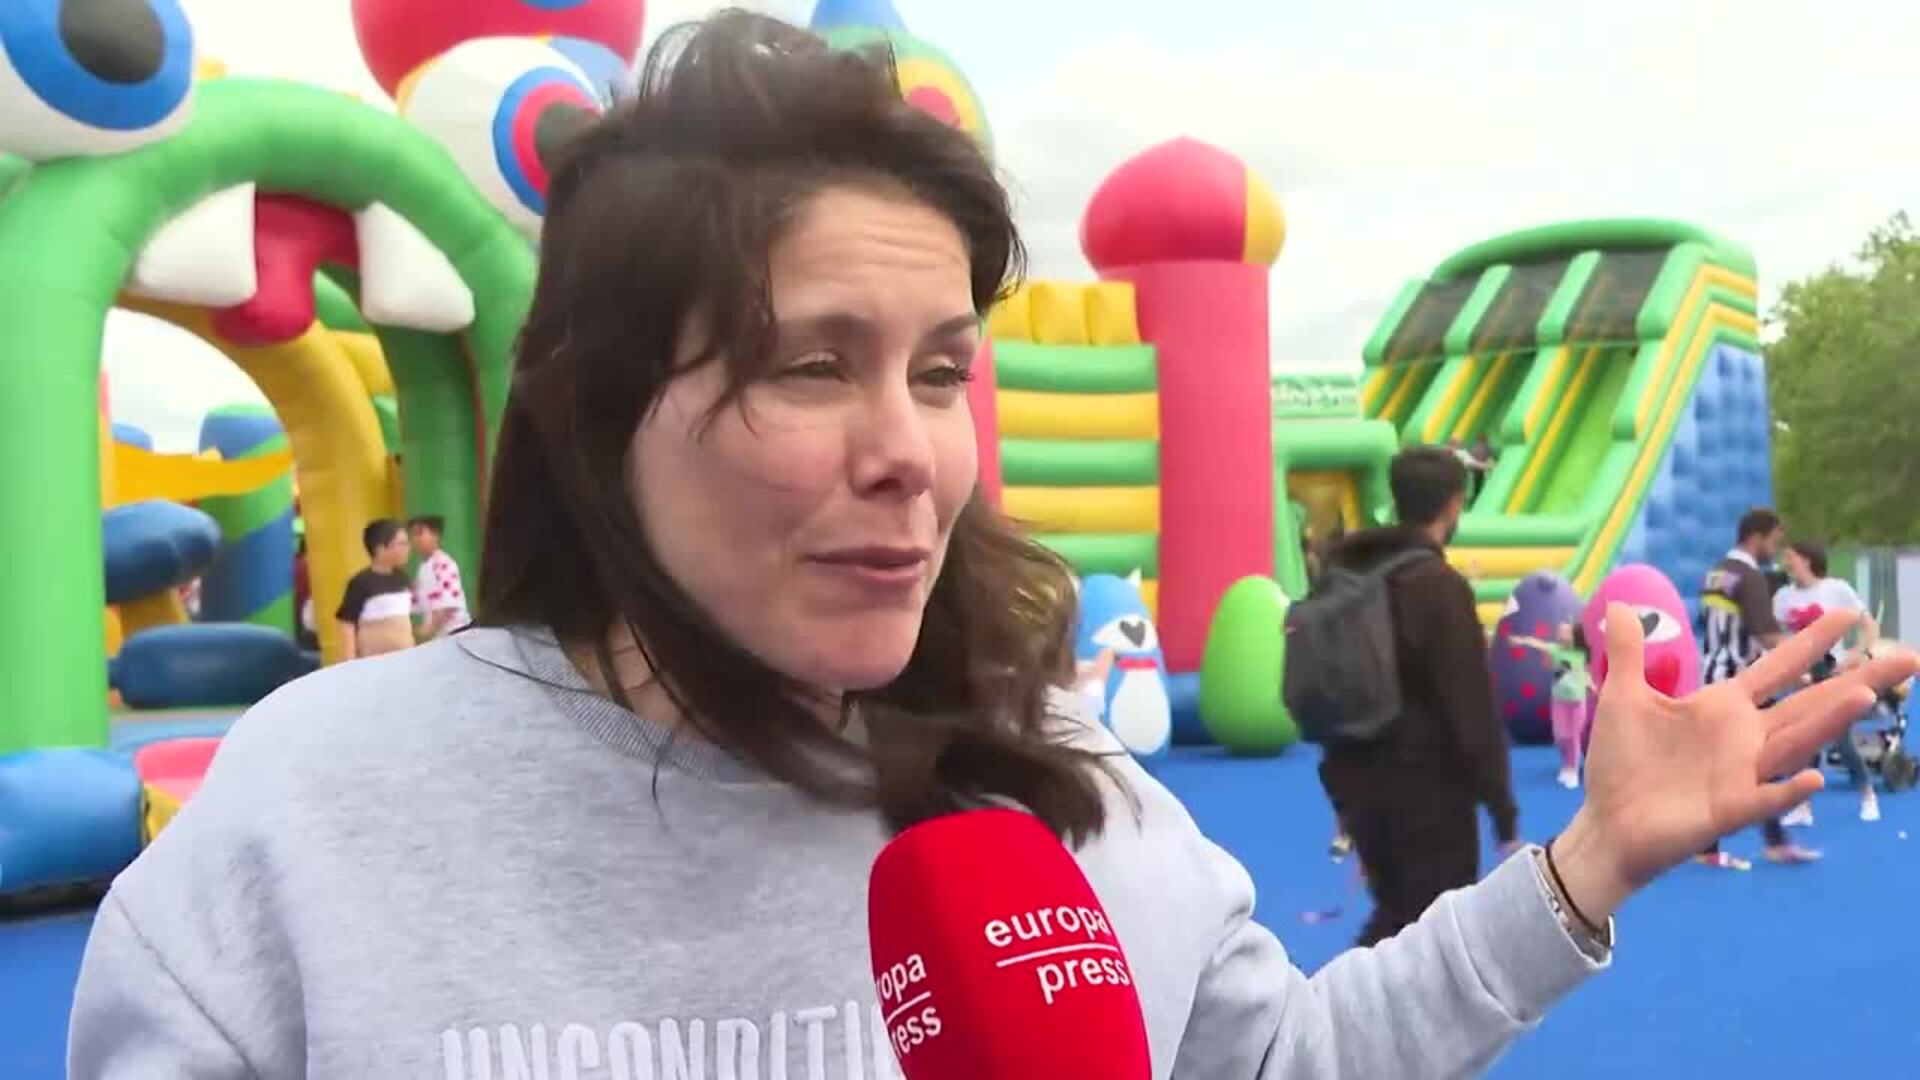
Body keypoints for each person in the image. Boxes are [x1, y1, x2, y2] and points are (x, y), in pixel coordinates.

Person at [67, 14, 1914, 1078]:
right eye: (813, 365)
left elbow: (1276, 1063)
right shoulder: (311, 820)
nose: (910, 456)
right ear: (597, 416)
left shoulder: (1060, 785)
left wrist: (1584, 865)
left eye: (942, 371)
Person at [1317, 446, 1523, 946]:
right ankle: (1340, 996)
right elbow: (1471, 711)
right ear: (1453, 504)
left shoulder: (1347, 578)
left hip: (1360, 787)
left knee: (1397, 922)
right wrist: (1502, 812)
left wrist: (1343, 792)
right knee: (1433, 939)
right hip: (1430, 797)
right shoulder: (1440, 589)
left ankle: (1348, 993)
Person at [1698, 508, 1821, 867]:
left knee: (1743, 763)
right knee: (1760, 760)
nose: (1776, 549)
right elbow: (1768, 636)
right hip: (1741, 686)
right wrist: (1803, 670)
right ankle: (1718, 845)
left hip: (1713, 678)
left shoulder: (1716, 573)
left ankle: (1756, 842)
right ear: (1756, 537)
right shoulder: (1750, 578)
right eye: (1774, 540)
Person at [1774, 537, 1880, 823]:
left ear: (1807, 559)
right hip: (1801, 676)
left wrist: (1859, 654)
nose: (1786, 562)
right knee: (1802, 742)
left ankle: (1867, 795)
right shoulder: (1783, 597)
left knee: (1841, 738)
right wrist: (1789, 669)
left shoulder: (1836, 589)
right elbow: (1776, 638)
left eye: (1791, 557)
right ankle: (1802, 806)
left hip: (1832, 671)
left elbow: (1869, 626)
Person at [1511, 619, 1594, 789]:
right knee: (1560, 736)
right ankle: (1566, 764)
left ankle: (1572, 769)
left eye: (1565, 632)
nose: (1561, 634)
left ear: (1574, 636)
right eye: (1560, 631)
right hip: (1559, 701)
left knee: (1573, 736)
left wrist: (1591, 685)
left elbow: (1585, 673)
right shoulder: (1555, 650)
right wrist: (1522, 641)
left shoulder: (1580, 654)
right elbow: (1537, 644)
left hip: (1577, 702)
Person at [334, 518, 414, 661]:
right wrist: (349, 662)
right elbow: (347, 623)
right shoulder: (361, 582)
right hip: (374, 662)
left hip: (405, 659)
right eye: (402, 544)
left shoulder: (402, 578)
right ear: (380, 548)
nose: (408, 548)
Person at [407, 514, 472, 642]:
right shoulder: (423, 568)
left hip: (455, 635)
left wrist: (429, 629)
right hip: (439, 637)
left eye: (420, 533)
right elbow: (413, 602)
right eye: (412, 534)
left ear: (435, 535)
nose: (415, 539)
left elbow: (449, 605)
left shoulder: (443, 563)